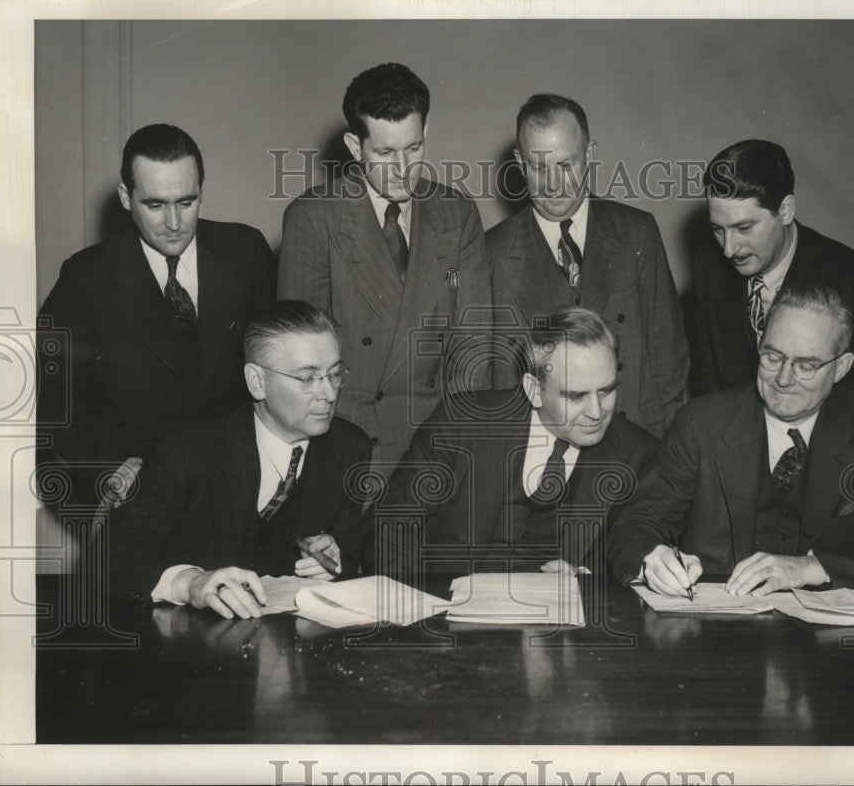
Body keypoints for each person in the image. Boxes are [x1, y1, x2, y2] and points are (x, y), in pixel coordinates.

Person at [608, 285, 854, 597]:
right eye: (772, 357)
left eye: (806, 366)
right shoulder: (701, 424)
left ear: (840, 368)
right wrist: (651, 558)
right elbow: (637, 523)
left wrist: (808, 568)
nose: (783, 379)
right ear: (759, 342)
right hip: (718, 619)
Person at [37, 123, 277, 506]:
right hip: (140, 487)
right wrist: (107, 466)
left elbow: (276, 368)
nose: (174, 223)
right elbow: (52, 396)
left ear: (201, 190)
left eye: (186, 202)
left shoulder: (246, 251)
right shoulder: (86, 276)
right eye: (155, 205)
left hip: (240, 478)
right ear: (126, 197)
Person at [278, 63, 491, 476]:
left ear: (426, 132)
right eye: (385, 153)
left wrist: (455, 446)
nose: (402, 168)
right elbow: (299, 364)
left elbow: (473, 347)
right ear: (355, 147)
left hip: (436, 442)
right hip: (347, 445)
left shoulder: (458, 213)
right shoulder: (314, 218)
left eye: (413, 148)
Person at [107, 301, 372, 616]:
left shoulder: (349, 447)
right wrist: (189, 583)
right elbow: (110, 560)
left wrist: (332, 560)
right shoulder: (188, 451)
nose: (329, 393)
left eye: (335, 374)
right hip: (191, 634)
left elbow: (347, 559)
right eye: (307, 378)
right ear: (257, 382)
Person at [365, 306, 659, 581]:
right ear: (534, 389)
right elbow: (391, 524)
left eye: (606, 391)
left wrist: (587, 582)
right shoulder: (463, 423)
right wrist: (413, 606)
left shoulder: (635, 453)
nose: (596, 412)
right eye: (576, 396)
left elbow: (635, 548)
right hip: (447, 604)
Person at [487, 93, 688, 438]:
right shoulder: (492, 251)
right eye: (538, 167)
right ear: (519, 162)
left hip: (639, 440)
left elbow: (669, 354)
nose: (553, 184)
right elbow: (493, 378)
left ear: (590, 154)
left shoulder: (637, 232)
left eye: (566, 165)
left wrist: (662, 442)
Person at [692, 138, 854, 399]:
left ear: (785, 210)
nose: (728, 249)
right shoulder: (709, 266)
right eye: (717, 229)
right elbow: (710, 386)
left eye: (743, 228)